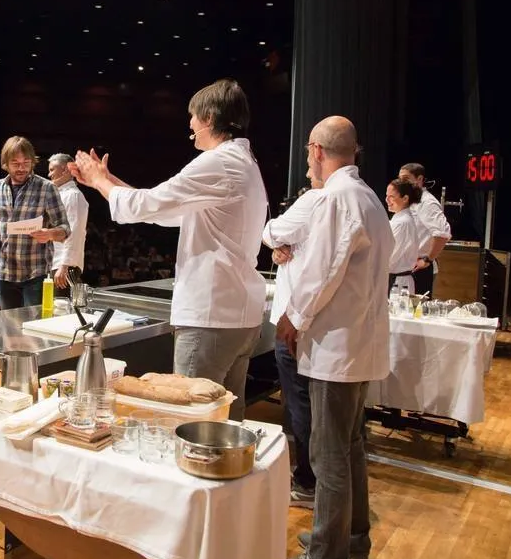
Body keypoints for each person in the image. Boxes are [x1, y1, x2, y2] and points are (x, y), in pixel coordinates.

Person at [73, 79, 268, 421]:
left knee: (192, 420)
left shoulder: (218, 162)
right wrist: (108, 181)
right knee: (226, 419)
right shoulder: (243, 162)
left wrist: (99, 181)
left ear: (208, 118)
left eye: (192, 117)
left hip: (211, 316)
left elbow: (149, 204)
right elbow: (163, 209)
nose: (190, 125)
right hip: (235, 314)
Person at [274, 116, 393, 559]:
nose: (309, 160)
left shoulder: (336, 198)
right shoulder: (369, 199)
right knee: (350, 447)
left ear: (317, 150)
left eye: (309, 153)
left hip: (337, 348)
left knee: (328, 457)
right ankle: (352, 539)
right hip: (360, 345)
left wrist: (293, 317)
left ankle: (326, 555)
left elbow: (322, 271)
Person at [261, 168, 324, 509]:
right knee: (307, 403)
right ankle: (313, 478)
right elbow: (282, 244)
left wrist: (275, 241)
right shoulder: (354, 202)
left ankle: (308, 482)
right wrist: (278, 250)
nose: (308, 170)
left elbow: (270, 230)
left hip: (296, 319)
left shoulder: (314, 200)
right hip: (315, 320)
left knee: (300, 403)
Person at [0, 136, 70, 310]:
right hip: (6, 272)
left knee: (35, 327)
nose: (21, 168)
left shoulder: (47, 188)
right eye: (15, 163)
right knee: (10, 329)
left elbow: (64, 229)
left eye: (26, 163)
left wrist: (49, 234)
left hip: (36, 273)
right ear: (5, 164)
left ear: (33, 162)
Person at [397, 163, 452, 297]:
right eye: (399, 179)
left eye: (405, 178)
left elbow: (442, 233)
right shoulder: (410, 201)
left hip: (419, 268)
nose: (401, 182)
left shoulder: (427, 202)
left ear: (419, 179)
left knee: (415, 312)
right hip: (405, 266)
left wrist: (427, 260)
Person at [47, 153, 90, 296]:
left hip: (64, 266)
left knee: (63, 311)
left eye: (52, 169)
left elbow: (75, 231)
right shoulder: (59, 195)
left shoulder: (73, 195)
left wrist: (64, 265)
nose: (49, 174)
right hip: (54, 263)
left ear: (65, 170)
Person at [385, 178, 426, 295]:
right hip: (396, 280)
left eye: (391, 197)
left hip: (397, 284)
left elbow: (390, 256)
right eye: (386, 196)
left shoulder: (402, 223)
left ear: (405, 198)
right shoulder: (400, 219)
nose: (387, 200)